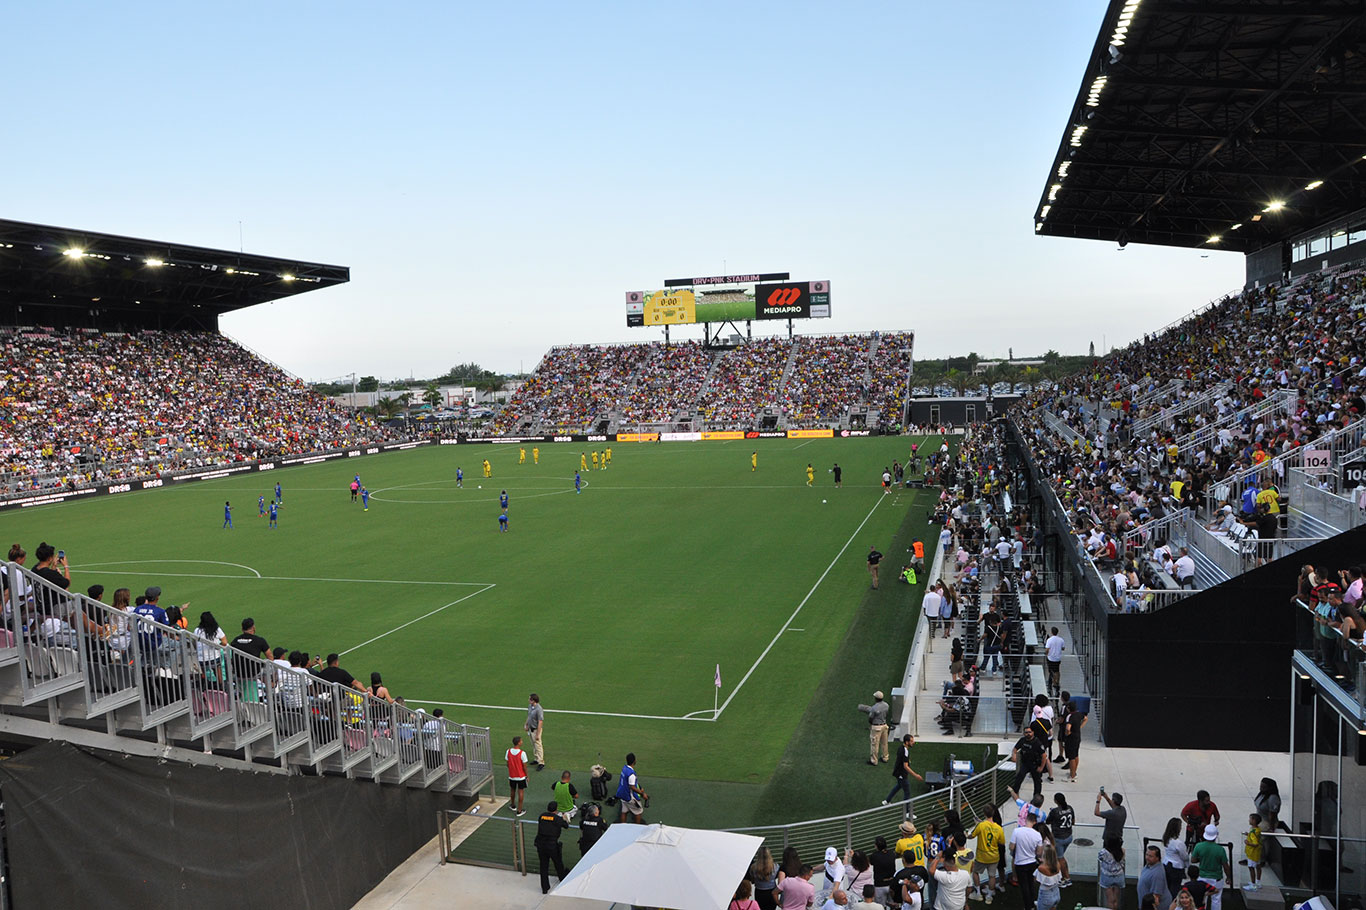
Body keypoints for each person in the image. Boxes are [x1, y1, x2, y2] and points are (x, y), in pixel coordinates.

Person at [968, 807, 1003, 903]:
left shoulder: (981, 825)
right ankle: (989, 896)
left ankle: (978, 893)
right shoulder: (998, 828)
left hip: (982, 856)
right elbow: (1002, 842)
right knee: (992, 876)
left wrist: (967, 835)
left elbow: (972, 835)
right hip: (994, 856)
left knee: (975, 872)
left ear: (984, 814)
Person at [1191, 825, 1230, 910]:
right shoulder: (1220, 849)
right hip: (1216, 878)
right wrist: (1229, 877)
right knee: (1216, 900)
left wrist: (1201, 858)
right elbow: (1225, 866)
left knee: (1202, 899)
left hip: (1202, 877)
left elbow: (1193, 860)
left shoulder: (1198, 846)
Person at [534, 800, 569, 894]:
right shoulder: (557, 818)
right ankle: (562, 878)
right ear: (556, 809)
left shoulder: (542, 816)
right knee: (558, 863)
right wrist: (564, 818)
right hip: (552, 845)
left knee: (543, 866)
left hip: (541, 844)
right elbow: (566, 825)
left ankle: (544, 888)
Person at [1008, 811, 1042, 910]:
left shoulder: (1017, 831)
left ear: (1026, 820)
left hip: (1020, 863)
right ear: (1035, 822)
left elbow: (1011, 847)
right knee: (1031, 884)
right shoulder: (1037, 835)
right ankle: (1032, 903)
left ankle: (1028, 906)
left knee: (1024, 886)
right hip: (1031, 862)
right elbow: (1039, 852)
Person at [884, 734, 923, 806]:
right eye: (911, 741)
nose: (913, 742)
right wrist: (916, 775)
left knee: (898, 786)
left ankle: (887, 801)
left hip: (898, 772)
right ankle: (907, 812)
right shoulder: (905, 751)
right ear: (907, 742)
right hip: (902, 774)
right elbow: (905, 766)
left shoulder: (900, 747)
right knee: (907, 793)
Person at [1045, 793, 1074, 887]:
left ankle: (1066, 878)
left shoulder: (1055, 811)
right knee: (1060, 857)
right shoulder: (1070, 808)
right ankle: (1063, 876)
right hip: (1069, 836)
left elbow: (1047, 821)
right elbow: (1073, 822)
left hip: (1059, 838)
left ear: (1056, 801)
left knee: (1060, 858)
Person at [1010, 727, 1046, 798]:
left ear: (1033, 733)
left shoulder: (1037, 742)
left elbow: (1044, 756)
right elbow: (1015, 749)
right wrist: (1014, 755)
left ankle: (1036, 797)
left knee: (1037, 781)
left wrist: (1041, 767)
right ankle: (1015, 793)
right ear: (1024, 733)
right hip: (1025, 764)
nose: (1028, 734)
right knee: (1019, 777)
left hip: (1035, 764)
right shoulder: (1022, 740)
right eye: (1026, 732)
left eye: (1030, 732)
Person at [857, 691, 891, 765]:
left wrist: (871, 724)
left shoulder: (874, 708)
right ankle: (885, 757)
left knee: (874, 744)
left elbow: (870, 717)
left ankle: (874, 760)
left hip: (876, 727)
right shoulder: (886, 705)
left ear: (876, 698)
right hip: (884, 725)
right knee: (884, 743)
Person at [1161, 817, 1191, 899]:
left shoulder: (1166, 839)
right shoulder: (1178, 843)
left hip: (1166, 864)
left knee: (1167, 887)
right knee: (1175, 889)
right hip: (1176, 867)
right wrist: (1187, 865)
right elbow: (1184, 856)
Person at [614, 752, 647, 823]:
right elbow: (632, 787)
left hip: (622, 794)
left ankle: (623, 826)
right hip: (629, 796)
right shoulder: (631, 774)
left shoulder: (624, 768)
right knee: (638, 811)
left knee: (624, 811)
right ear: (634, 761)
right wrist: (642, 793)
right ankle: (637, 827)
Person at [1139, 844, 1172, 909]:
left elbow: (1156, 896)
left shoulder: (1158, 874)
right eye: (1146, 855)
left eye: (1150, 856)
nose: (1147, 858)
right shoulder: (1150, 864)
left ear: (1157, 858)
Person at [1097, 839, 1125, 910]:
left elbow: (1100, 858)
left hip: (1107, 877)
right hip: (1119, 876)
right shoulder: (1122, 851)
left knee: (1110, 901)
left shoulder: (1104, 852)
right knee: (1116, 900)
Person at [505, 735, 529, 816]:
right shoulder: (522, 753)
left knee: (512, 790)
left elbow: (507, 763)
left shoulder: (508, 751)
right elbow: (524, 766)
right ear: (519, 743)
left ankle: (513, 805)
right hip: (521, 776)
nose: (522, 742)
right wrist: (527, 776)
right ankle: (519, 810)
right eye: (521, 741)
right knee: (521, 792)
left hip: (512, 776)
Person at [1034, 843, 1062, 910]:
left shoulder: (1041, 868)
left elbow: (1036, 880)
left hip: (1046, 896)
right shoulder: (1057, 864)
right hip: (1056, 892)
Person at [1043, 627, 1065, 696]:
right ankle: (1056, 682)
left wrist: (1046, 654)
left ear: (1052, 632)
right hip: (1057, 658)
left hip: (1051, 658)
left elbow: (1047, 649)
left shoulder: (1049, 640)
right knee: (1057, 670)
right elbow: (1063, 648)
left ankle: (1052, 681)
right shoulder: (1061, 640)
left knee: (1051, 671)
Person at [525, 693, 545, 769]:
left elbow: (540, 721)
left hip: (536, 730)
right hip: (531, 729)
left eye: (530, 699)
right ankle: (536, 759)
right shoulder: (530, 706)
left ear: (534, 700)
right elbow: (529, 716)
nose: (528, 700)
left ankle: (541, 762)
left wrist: (538, 734)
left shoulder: (539, 709)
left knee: (538, 745)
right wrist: (526, 724)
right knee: (534, 745)